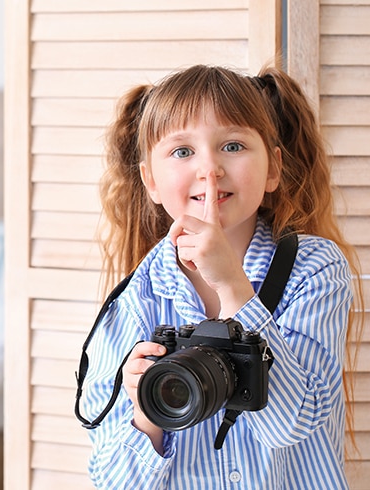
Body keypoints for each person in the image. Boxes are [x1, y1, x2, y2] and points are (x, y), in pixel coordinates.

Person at [80, 64, 363, 489]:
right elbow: (111, 482)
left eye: (232, 145)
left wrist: (233, 286)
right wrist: (146, 417)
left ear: (272, 169)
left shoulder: (314, 268)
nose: (209, 169)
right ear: (151, 181)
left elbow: (295, 425)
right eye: (181, 152)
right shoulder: (138, 298)